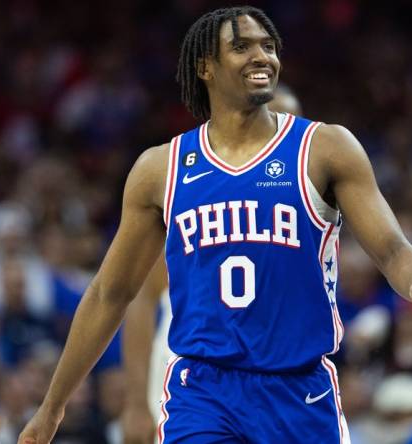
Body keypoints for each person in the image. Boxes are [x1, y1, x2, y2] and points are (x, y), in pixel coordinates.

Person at [18, 6, 412, 443]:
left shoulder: (326, 149)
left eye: (268, 46)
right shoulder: (161, 169)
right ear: (204, 66)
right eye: (241, 46)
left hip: (298, 389)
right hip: (204, 392)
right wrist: (52, 408)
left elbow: (393, 249)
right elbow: (110, 293)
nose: (262, 56)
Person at [120, 85, 303, 444]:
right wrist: (135, 401)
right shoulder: (191, 196)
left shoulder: (306, 210)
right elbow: (140, 300)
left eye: (286, 123)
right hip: (192, 379)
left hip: (275, 382)